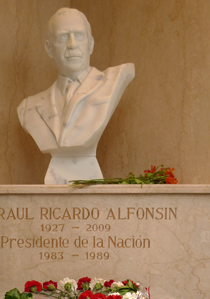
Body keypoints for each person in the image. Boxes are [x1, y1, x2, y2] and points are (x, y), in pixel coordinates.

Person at [18, 8, 135, 184]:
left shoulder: (115, 79)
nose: (72, 44)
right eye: (63, 37)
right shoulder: (28, 107)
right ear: (49, 49)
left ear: (91, 44)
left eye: (79, 35)